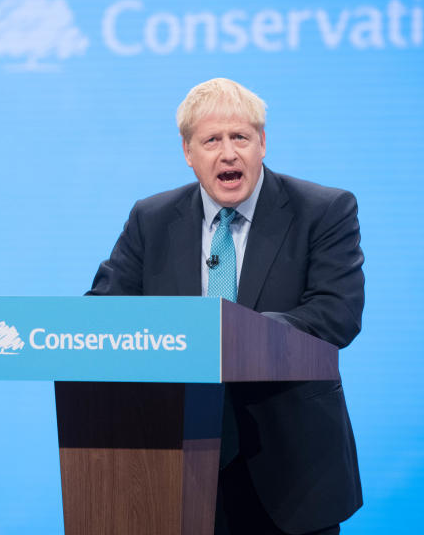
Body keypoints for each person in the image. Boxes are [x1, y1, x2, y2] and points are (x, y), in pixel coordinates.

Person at [87, 78, 364, 535]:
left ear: (262, 144)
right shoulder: (151, 219)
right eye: (212, 140)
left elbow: (337, 314)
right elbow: (105, 311)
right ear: (187, 152)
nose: (228, 153)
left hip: (291, 468)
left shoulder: (324, 210)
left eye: (241, 137)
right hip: (174, 461)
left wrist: (227, 333)